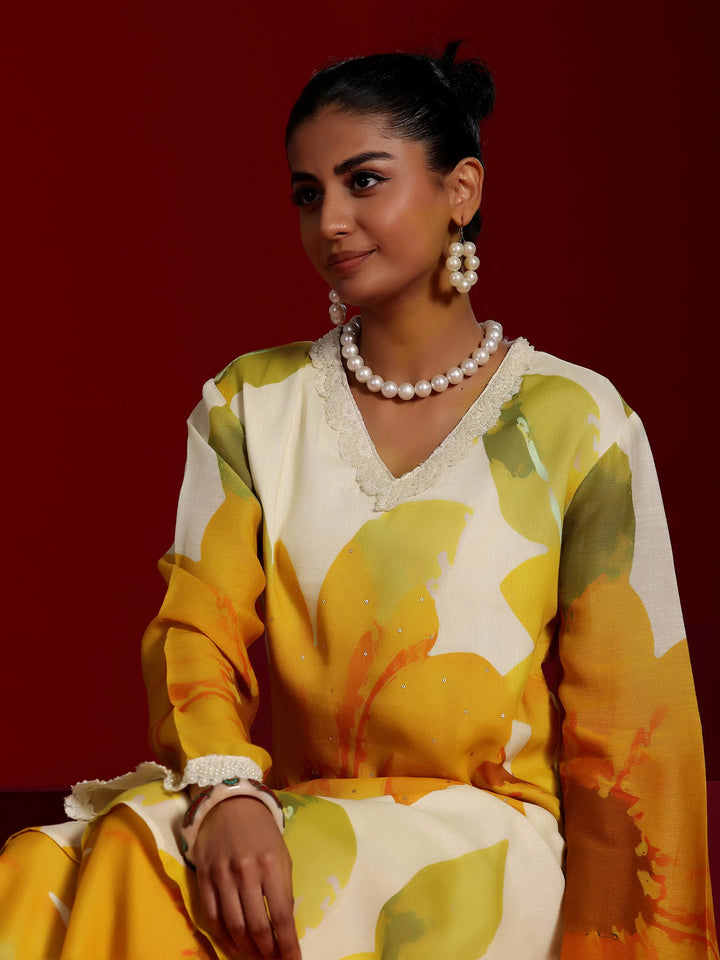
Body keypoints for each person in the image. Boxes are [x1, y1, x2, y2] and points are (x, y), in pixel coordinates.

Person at [0, 40, 716, 960]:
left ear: (462, 190)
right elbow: (195, 632)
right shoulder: (253, 406)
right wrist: (225, 790)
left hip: (485, 852)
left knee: (140, 868)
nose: (330, 221)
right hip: (300, 830)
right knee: (37, 874)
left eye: (363, 182)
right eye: (308, 194)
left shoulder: (579, 422)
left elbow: (636, 740)